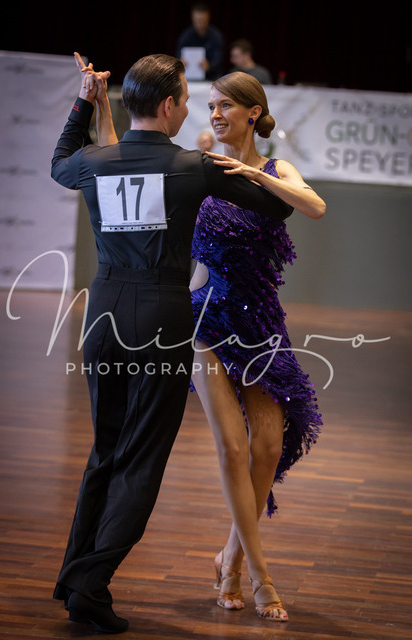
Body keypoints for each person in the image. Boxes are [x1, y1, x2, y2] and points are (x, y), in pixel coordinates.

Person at [51, 54, 292, 634]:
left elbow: (59, 161)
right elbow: (279, 204)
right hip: (160, 318)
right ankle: (88, 584)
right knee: (141, 460)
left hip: (102, 314)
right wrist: (252, 170)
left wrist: (86, 99)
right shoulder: (192, 167)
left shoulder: (94, 161)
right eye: (186, 99)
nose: (190, 109)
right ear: (168, 106)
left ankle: (75, 579)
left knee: (105, 451)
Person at [189, 71, 325, 622]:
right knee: (233, 449)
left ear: (252, 112)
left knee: (267, 447)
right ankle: (256, 575)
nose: (215, 114)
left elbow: (314, 206)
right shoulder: (202, 166)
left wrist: (252, 175)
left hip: (261, 323)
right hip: (205, 320)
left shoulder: (275, 170)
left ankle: (229, 555)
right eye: (211, 106)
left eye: (226, 105)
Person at [176, 3, 224, 80]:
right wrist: (181, 63)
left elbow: (218, 59)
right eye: (197, 20)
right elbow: (178, 56)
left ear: (208, 18)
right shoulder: (186, 36)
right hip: (189, 78)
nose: (199, 24)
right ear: (192, 18)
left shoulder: (216, 36)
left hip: (212, 78)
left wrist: (209, 66)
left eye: (202, 20)